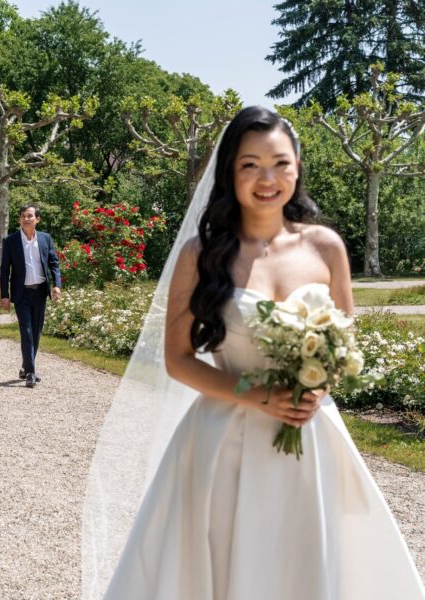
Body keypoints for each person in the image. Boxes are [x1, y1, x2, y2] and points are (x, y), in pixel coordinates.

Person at [86, 107, 425, 599]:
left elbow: (342, 343)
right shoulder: (199, 255)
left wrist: (317, 388)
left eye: (280, 163)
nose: (267, 178)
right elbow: (178, 359)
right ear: (230, 172)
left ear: (298, 166)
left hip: (309, 437)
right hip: (223, 441)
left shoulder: (326, 247)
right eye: (250, 165)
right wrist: (259, 397)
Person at [0, 204, 61, 388]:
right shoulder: (10, 241)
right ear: (19, 219)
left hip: (41, 291)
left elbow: (54, 263)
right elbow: (5, 270)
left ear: (37, 219)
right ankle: (31, 373)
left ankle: (26, 366)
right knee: (26, 332)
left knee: (36, 331)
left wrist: (57, 285)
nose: (26, 219)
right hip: (21, 293)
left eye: (30, 216)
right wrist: (4, 295)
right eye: (23, 216)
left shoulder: (45, 238)